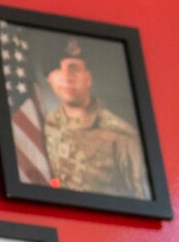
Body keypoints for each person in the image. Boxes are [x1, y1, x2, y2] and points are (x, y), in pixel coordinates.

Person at [38, 38, 148, 198]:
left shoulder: (121, 136)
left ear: (88, 78)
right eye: (57, 69)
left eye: (74, 68)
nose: (66, 77)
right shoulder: (43, 126)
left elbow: (140, 198)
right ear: (49, 79)